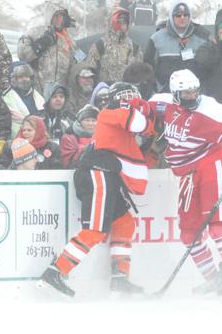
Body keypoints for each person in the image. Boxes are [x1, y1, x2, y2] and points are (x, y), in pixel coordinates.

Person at [147, 70, 222, 295]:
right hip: (187, 176)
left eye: (194, 91)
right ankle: (213, 279)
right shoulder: (163, 103)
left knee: (218, 228)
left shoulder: (209, 110)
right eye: (186, 93)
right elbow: (145, 108)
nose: (192, 96)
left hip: (211, 167)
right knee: (189, 233)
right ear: (175, 93)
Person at [42, 82, 155, 297]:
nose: (133, 100)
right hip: (97, 173)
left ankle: (120, 278)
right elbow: (139, 123)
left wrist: (154, 136)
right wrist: (150, 118)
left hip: (105, 175)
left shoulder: (118, 118)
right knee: (94, 230)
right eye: (129, 97)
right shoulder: (111, 113)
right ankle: (55, 271)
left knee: (124, 223)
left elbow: (141, 138)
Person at [144, 1, 212, 93]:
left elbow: (209, 68)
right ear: (172, 17)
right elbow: (147, 66)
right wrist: (156, 88)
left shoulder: (202, 39)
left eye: (186, 15)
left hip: (193, 94)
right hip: (166, 93)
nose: (182, 18)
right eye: (178, 15)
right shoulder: (156, 38)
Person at [17, 3, 79, 92]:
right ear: (49, 16)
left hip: (59, 94)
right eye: (56, 16)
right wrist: (41, 43)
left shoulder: (68, 39)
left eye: (62, 16)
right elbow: (22, 56)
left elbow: (76, 65)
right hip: (38, 91)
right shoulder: (35, 33)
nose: (59, 19)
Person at [85, 9, 141, 90]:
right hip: (106, 92)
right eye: (119, 23)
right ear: (111, 23)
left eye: (125, 23)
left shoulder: (135, 48)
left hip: (127, 92)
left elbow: (139, 75)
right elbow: (89, 71)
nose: (122, 26)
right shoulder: (100, 45)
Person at [2, 61, 45, 139]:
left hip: (39, 137)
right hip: (17, 139)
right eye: (20, 77)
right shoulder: (6, 98)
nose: (24, 79)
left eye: (26, 76)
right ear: (13, 79)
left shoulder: (38, 96)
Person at [60, 104, 98, 168]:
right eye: (87, 120)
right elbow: (67, 163)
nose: (90, 123)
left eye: (93, 120)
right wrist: (86, 149)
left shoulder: (103, 136)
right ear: (80, 122)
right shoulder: (69, 137)